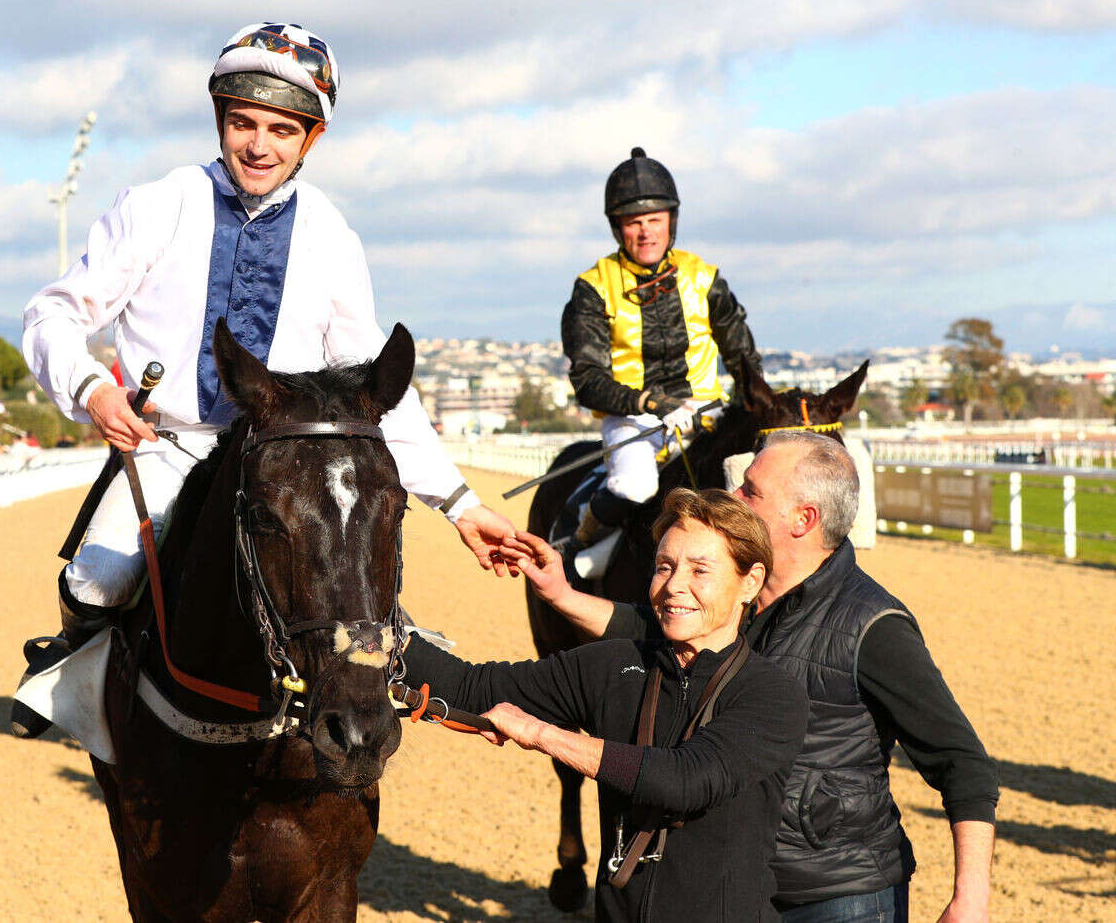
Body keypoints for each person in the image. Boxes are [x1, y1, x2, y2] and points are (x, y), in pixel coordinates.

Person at [14, 22, 515, 735]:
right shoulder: (157, 205)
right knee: (96, 576)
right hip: (170, 446)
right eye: (243, 122)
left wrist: (461, 504)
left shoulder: (331, 235)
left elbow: (374, 391)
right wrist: (92, 387)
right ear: (220, 120)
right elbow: (52, 314)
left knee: (350, 587)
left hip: (289, 458)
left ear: (309, 139)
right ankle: (78, 683)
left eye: (282, 129)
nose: (258, 145)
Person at [513, 431, 998, 922]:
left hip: (839, 898)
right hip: (739, 887)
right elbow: (644, 625)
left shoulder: (874, 627)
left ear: (803, 519)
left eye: (750, 490)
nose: (732, 498)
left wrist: (970, 896)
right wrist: (560, 594)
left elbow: (961, 762)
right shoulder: (740, 593)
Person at [404, 489, 806, 921]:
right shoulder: (617, 665)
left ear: (751, 581)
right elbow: (475, 686)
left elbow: (684, 780)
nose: (674, 587)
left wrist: (545, 736)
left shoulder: (772, 694)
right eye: (664, 566)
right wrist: (382, 637)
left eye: (699, 570)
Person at [562, 148, 761, 551]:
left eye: (655, 220)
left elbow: (743, 359)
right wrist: (652, 403)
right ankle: (582, 543)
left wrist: (755, 406)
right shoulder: (593, 287)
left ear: (672, 221)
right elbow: (587, 381)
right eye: (634, 222)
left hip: (707, 415)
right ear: (618, 228)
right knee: (635, 488)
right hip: (634, 421)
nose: (646, 231)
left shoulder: (704, 277)